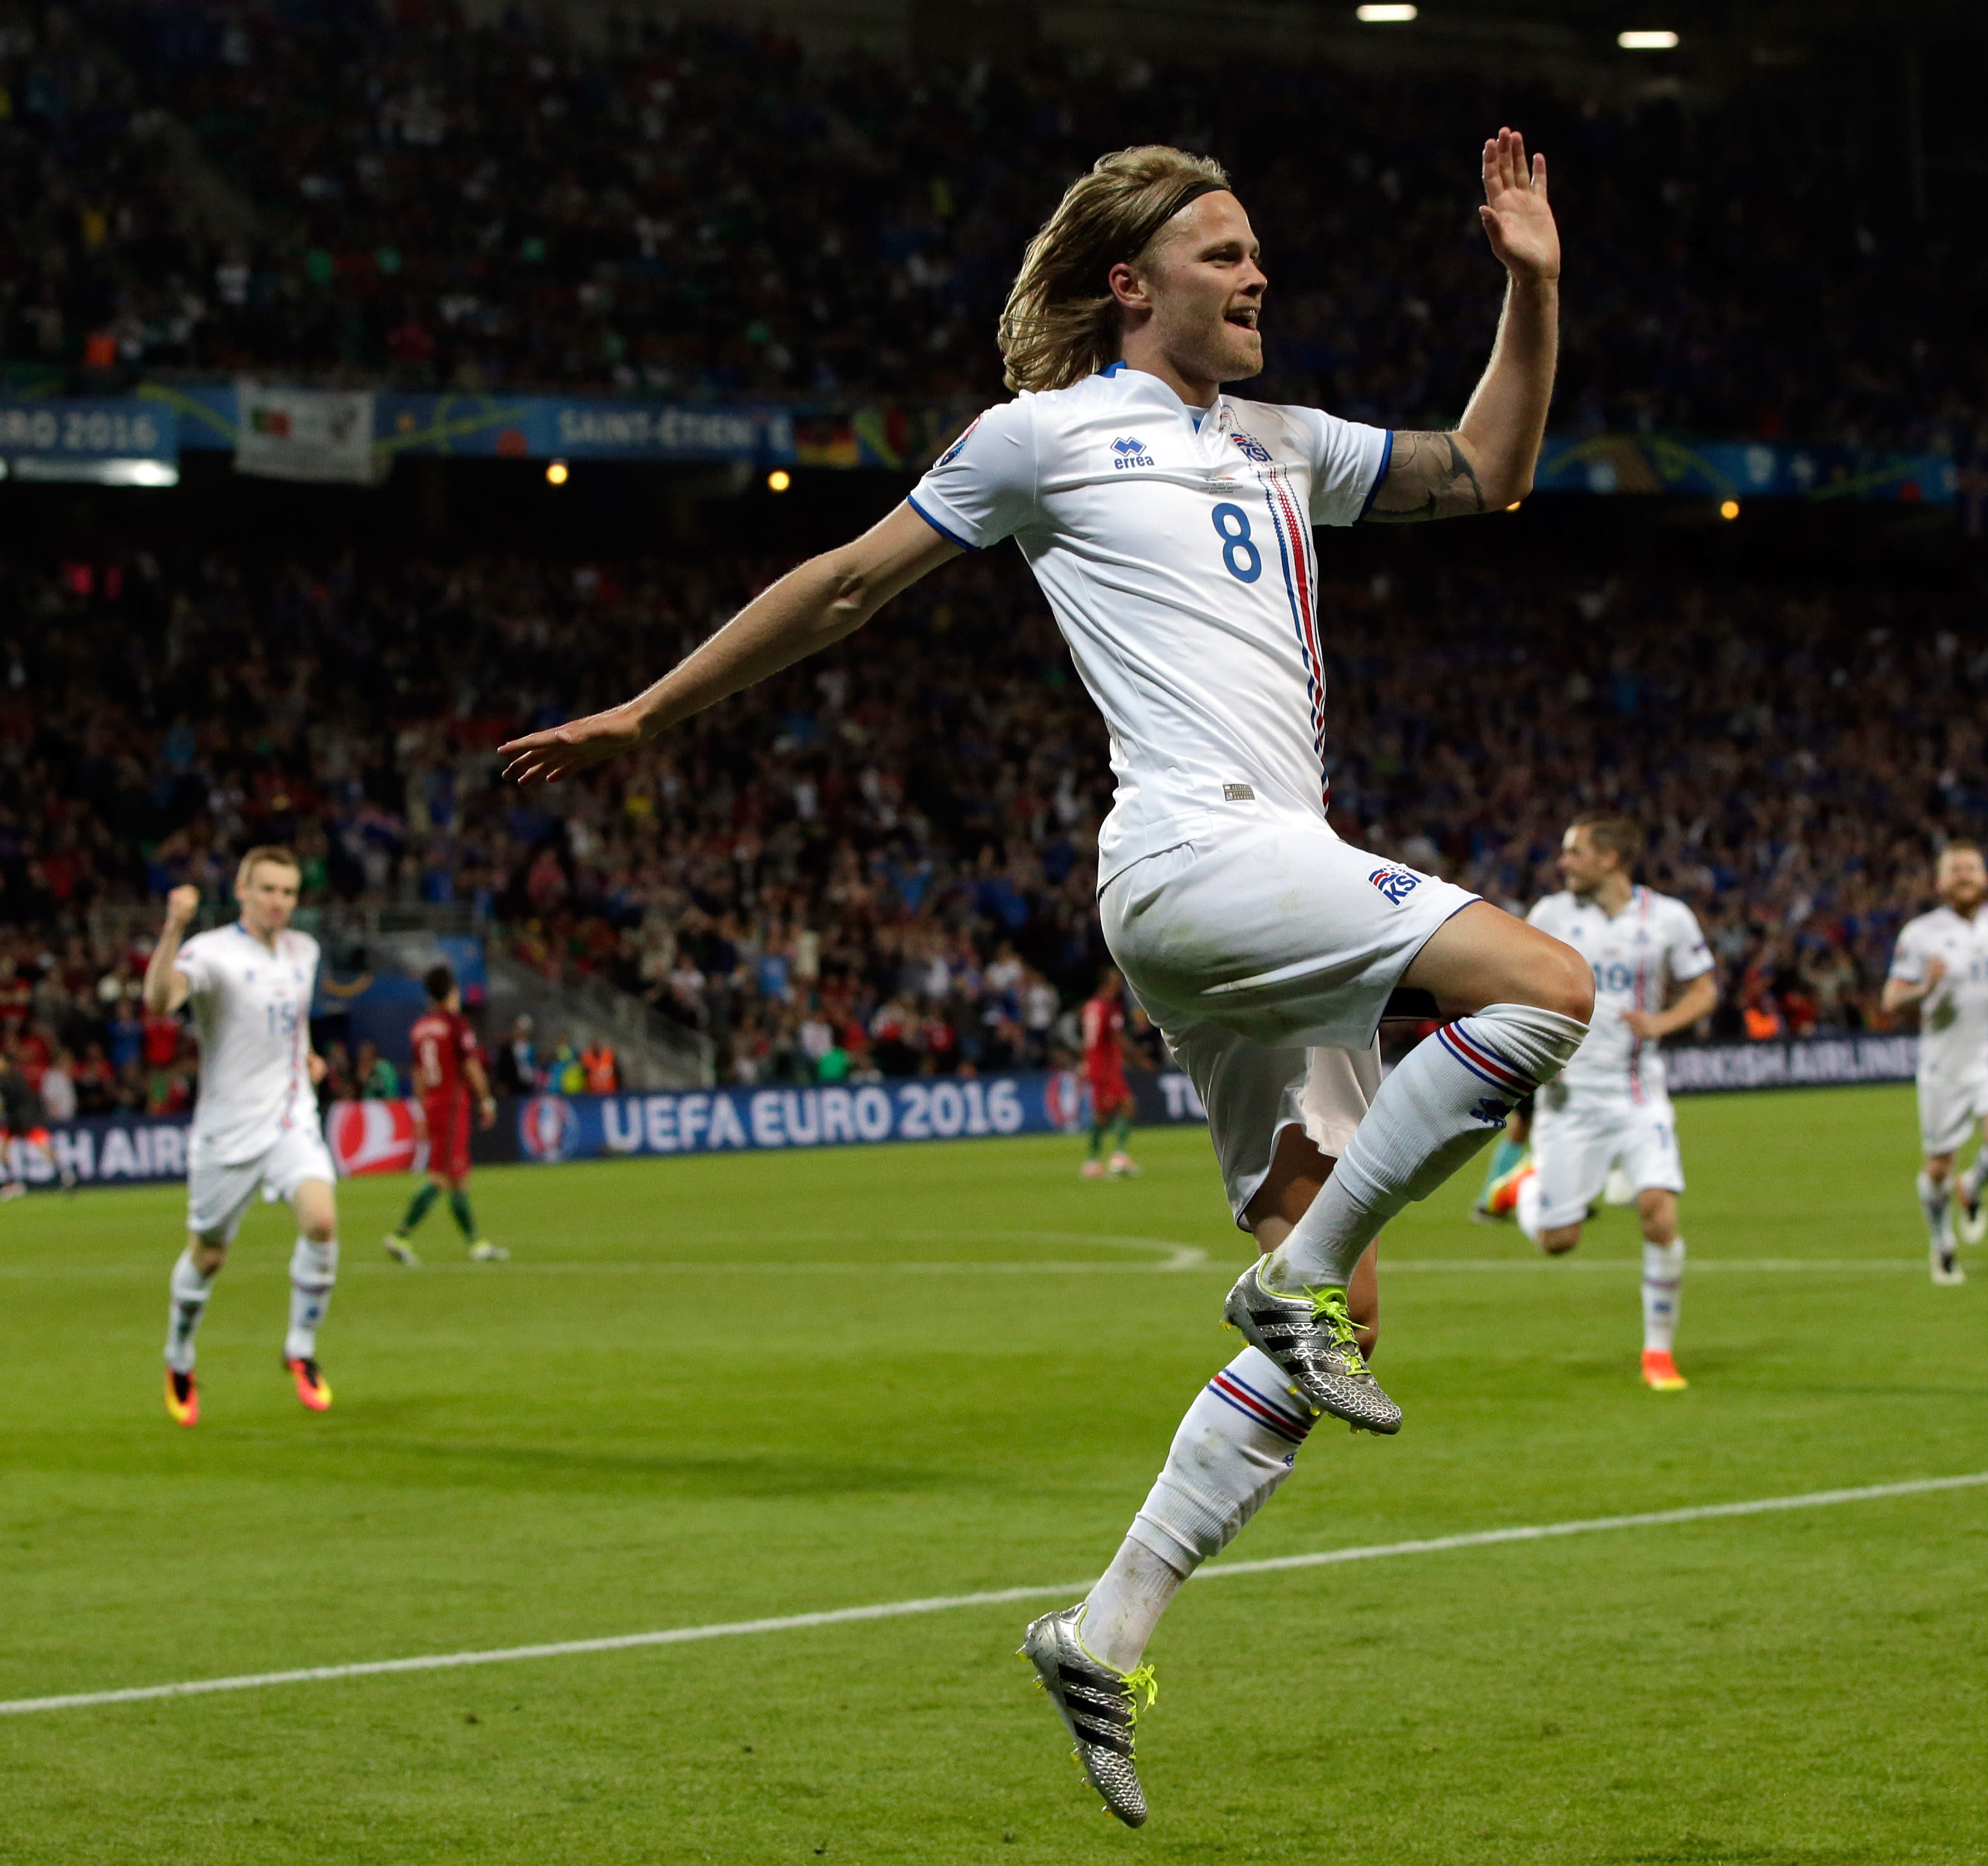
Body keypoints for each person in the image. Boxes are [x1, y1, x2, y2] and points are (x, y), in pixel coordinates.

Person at [501, 133, 1590, 1826]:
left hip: (1261, 883)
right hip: (1199, 853)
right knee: (1546, 984)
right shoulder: (1043, 434)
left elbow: (1492, 469)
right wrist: (649, 713)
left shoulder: (1285, 444)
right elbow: (845, 584)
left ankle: (1103, 1631)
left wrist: (1528, 285)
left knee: (1342, 1311)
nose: (1255, 274)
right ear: (1128, 284)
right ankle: (1291, 1283)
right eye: (1221, 252)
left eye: (1256, 251)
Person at [1520, 815, 1720, 1389]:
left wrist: (1662, 1021)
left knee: (1659, 1211)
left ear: (1609, 859)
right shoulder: (1549, 915)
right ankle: (1525, 1187)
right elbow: (1511, 984)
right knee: (1559, 1242)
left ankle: (1657, 1353)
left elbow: (1704, 989)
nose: (1564, 863)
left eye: (1574, 852)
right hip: (1568, 1100)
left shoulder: (1668, 917)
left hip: (1638, 1093)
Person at [143, 850, 341, 1426]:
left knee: (321, 1221)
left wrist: (306, 1055)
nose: (279, 901)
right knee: (208, 1255)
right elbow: (159, 1000)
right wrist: (173, 927)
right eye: (268, 889)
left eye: (289, 892)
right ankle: (179, 1357)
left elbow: (291, 1017)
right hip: (228, 1129)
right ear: (242, 890)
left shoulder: (304, 951)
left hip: (290, 1115)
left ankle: (300, 1349)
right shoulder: (211, 953)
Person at [1879, 843, 1988, 1286]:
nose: (1965, 876)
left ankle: (1971, 1186)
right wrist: (1924, 989)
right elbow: (1891, 1000)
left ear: (1986, 878)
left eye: (1972, 868)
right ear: (1940, 882)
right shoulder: (1920, 934)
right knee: (1937, 1167)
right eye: (1955, 870)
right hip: (1944, 1066)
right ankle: (1942, 1243)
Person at [381, 964, 504, 1265]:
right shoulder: (456, 1024)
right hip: (452, 1106)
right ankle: (400, 1236)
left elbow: (418, 1074)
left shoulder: (420, 1028)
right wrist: (487, 1101)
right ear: (452, 991)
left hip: (434, 1105)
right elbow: (470, 1066)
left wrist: (422, 1111)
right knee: (442, 1177)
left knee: (458, 1177)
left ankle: (476, 1245)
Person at [1076, 968, 1140, 1179]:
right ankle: (1118, 1157)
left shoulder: (1091, 1006)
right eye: (1116, 980)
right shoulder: (1109, 1006)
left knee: (1102, 1114)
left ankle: (1093, 1163)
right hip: (1106, 1067)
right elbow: (1116, 1036)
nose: (1119, 984)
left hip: (1096, 1065)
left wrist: (1086, 1063)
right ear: (1107, 983)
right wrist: (1138, 1056)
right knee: (1127, 1105)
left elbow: (1089, 1039)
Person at [0, 1048, 73, 1198]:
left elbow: (18, 1099)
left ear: (5, 1063)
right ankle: (14, 1183)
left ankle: (64, 1173)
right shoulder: (6, 1078)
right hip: (16, 1120)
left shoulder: (9, 1078)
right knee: (2, 1151)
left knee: (42, 1148)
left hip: (25, 1119)